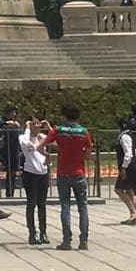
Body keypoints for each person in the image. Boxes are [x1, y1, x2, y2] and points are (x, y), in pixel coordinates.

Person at [44, 104, 93, 251]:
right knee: (82, 207)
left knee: (65, 206)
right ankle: (83, 240)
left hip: (63, 172)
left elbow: (46, 141)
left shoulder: (59, 130)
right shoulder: (83, 131)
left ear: (65, 116)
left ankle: (66, 240)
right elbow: (88, 153)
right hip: (78, 172)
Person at [19, 116, 50, 245]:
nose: (37, 126)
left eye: (38, 123)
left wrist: (49, 128)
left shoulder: (42, 137)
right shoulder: (23, 137)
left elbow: (57, 141)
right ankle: (32, 232)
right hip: (30, 174)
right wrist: (27, 128)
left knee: (42, 204)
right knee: (31, 203)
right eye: (34, 124)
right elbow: (26, 143)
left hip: (43, 173)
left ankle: (43, 232)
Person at [114, 119, 136, 226]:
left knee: (118, 189)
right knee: (129, 190)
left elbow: (128, 153)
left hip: (128, 166)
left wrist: (124, 168)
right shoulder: (130, 135)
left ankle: (133, 211)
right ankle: (132, 216)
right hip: (132, 165)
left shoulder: (124, 137)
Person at [0, 106, 23, 197]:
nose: (14, 114)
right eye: (13, 112)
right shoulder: (1, 121)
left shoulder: (15, 122)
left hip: (13, 150)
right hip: (3, 149)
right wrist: (6, 123)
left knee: (12, 171)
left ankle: (10, 192)